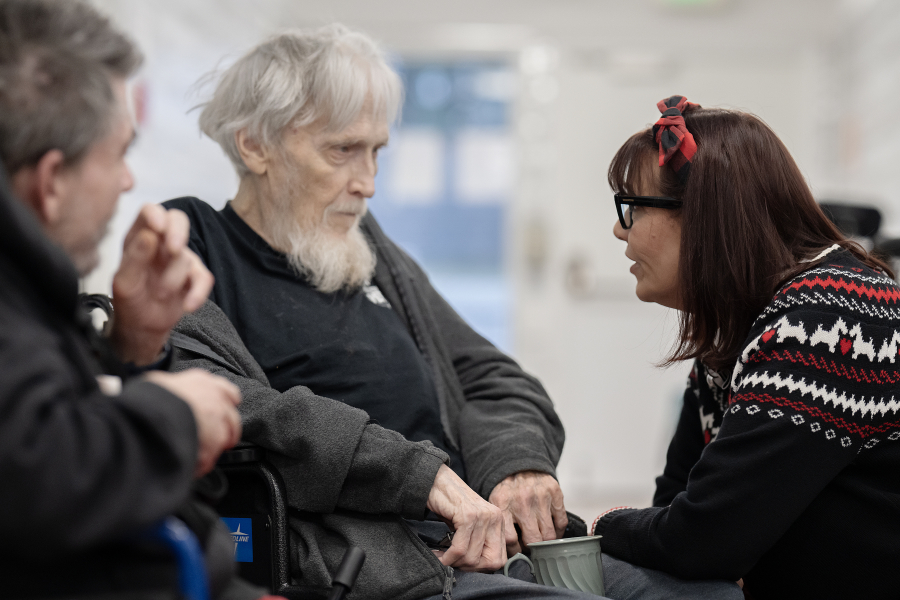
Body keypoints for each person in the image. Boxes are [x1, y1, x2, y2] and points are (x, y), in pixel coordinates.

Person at [0, 1, 267, 597]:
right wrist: (172, 413)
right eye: (119, 154)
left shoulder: (29, 290)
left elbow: (51, 411)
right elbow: (36, 476)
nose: (127, 182)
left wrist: (134, 344)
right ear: (51, 182)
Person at [594, 95, 900, 599]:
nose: (617, 228)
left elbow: (701, 538)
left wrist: (603, 524)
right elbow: (678, 503)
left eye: (631, 206)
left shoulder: (825, 320)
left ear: (702, 217)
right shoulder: (740, 329)